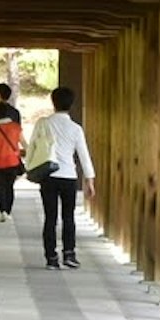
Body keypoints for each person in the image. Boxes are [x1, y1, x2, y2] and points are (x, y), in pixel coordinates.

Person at [28, 83, 95, 269]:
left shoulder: (43, 124)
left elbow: (32, 146)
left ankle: (51, 258)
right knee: (68, 216)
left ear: (53, 103)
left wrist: (30, 167)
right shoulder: (75, 129)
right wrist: (90, 180)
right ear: (71, 104)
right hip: (68, 176)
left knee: (50, 218)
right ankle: (69, 254)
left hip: (48, 176)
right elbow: (84, 155)